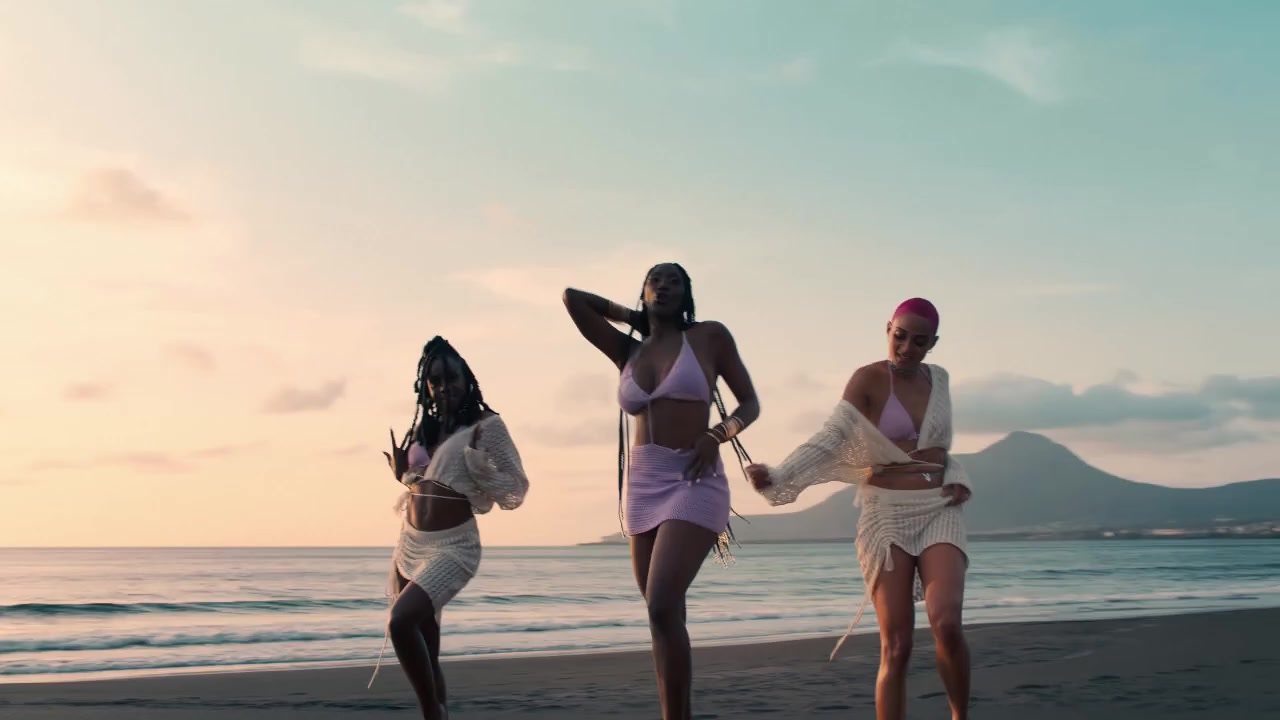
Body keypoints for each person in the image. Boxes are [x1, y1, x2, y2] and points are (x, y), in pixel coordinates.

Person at [746, 298, 973, 720]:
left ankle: (960, 715)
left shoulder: (939, 379)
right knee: (897, 646)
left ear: (933, 344)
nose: (906, 348)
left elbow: (940, 447)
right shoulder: (867, 379)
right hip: (885, 514)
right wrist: (779, 475)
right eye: (900, 336)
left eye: (919, 341)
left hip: (939, 507)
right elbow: (831, 437)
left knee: (946, 623)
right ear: (888, 329)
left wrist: (958, 473)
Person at [563, 262, 761, 720]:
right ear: (644, 291)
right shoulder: (627, 351)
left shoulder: (709, 337)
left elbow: (749, 403)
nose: (665, 287)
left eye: (675, 281)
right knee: (663, 618)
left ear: (687, 295)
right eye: (656, 281)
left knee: (661, 604)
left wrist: (718, 434)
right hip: (643, 485)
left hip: (694, 477)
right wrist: (634, 317)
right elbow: (573, 299)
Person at [370, 336, 530, 720]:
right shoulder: (424, 431)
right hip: (410, 544)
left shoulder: (486, 427)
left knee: (400, 622)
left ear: (466, 379)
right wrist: (402, 475)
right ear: (425, 387)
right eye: (436, 381)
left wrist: (479, 469)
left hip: (453, 546)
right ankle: (436, 711)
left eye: (452, 378)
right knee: (427, 650)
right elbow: (424, 482)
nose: (444, 387)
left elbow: (516, 487)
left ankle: (432, 712)